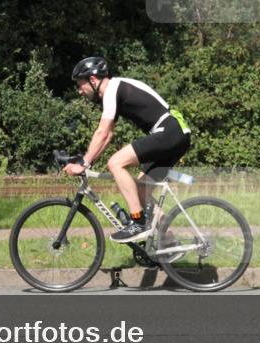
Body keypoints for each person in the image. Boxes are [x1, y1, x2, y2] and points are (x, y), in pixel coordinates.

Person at [64, 56, 191, 242]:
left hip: (170, 131)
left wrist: (84, 163)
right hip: (176, 133)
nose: (80, 91)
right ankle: (168, 243)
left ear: (93, 79)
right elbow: (107, 136)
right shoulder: (116, 89)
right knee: (141, 191)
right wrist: (87, 161)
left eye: (80, 84)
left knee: (115, 163)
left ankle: (137, 223)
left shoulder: (112, 90)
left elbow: (102, 133)